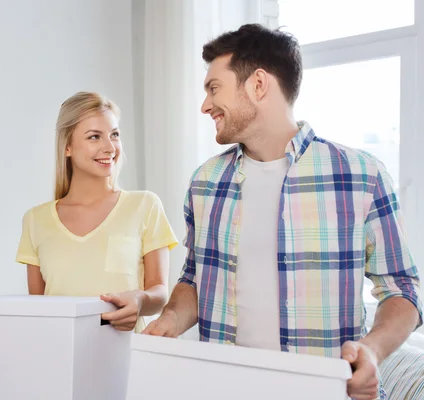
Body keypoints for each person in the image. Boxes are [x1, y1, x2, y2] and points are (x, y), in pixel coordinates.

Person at [142, 24, 422, 400]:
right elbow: (194, 279)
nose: (205, 105)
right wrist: (171, 320)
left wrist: (372, 350)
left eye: (213, 88)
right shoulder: (205, 182)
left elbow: (401, 289)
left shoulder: (361, 175)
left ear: (258, 85)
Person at [0, 91, 178, 333]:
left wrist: (140, 300)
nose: (110, 147)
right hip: (60, 358)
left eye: (114, 135)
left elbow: (159, 292)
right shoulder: (36, 220)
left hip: (129, 358)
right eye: (94, 137)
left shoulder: (145, 205)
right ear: (67, 147)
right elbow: (40, 309)